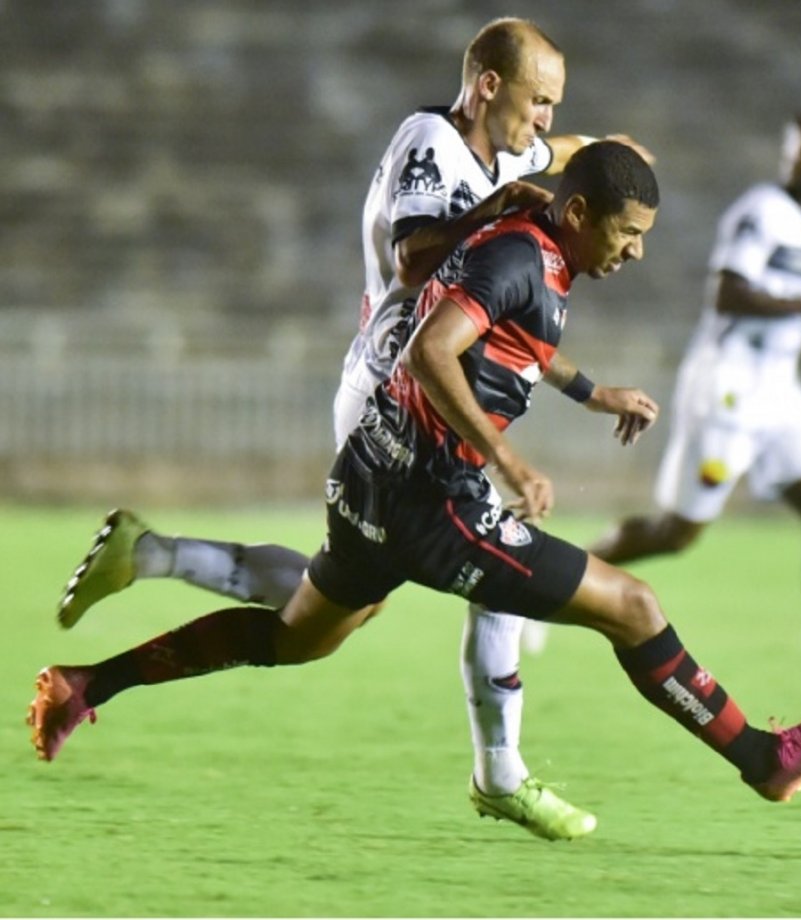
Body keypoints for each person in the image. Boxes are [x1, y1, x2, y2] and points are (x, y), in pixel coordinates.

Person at [29, 143, 801, 835]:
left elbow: (510, 337)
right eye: (629, 232)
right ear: (579, 216)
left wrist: (592, 392)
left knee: (295, 639)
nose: (636, 250)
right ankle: (762, 760)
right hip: (436, 506)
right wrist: (507, 460)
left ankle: (84, 685)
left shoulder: (533, 243)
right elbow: (433, 348)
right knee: (633, 608)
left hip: (370, 476)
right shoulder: (521, 256)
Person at [50, 17, 654, 841]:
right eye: (538, 99)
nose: (546, 118)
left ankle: (151, 555)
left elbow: (566, 161)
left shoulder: (514, 152)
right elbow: (413, 261)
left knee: (326, 616)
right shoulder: (430, 142)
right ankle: (500, 773)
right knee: (498, 567)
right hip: (397, 393)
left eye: (555, 104)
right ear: (487, 86)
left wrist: (614, 157)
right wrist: (494, 208)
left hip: (429, 392)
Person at [529, 113, 801, 700]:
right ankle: (542, 588)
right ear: (789, 154)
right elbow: (730, 291)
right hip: (728, 385)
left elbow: (795, 299)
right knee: (674, 533)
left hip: (779, 387)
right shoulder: (760, 211)